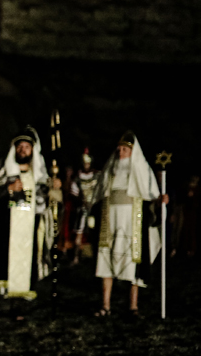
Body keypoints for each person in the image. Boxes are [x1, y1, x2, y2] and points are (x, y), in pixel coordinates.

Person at [88, 132, 167, 317]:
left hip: (132, 224)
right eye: (119, 149)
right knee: (106, 261)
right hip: (110, 223)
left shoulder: (141, 170)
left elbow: (151, 194)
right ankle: (105, 306)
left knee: (133, 264)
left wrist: (159, 199)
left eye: (125, 149)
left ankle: (133, 307)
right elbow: (98, 195)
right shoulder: (110, 170)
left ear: (133, 151)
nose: (120, 152)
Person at [0, 128, 53, 315]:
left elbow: (44, 204)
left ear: (32, 151)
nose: (23, 150)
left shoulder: (38, 175)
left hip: (29, 228)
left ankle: (19, 305)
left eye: (27, 147)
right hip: (4, 226)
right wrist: (7, 189)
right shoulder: (4, 171)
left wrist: (52, 191)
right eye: (20, 147)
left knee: (27, 264)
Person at [71, 149, 99, 265]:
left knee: (94, 232)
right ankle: (76, 257)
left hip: (94, 209)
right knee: (79, 232)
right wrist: (81, 202)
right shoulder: (77, 178)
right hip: (82, 209)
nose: (86, 165)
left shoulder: (97, 175)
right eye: (84, 163)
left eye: (87, 163)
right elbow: (74, 194)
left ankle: (95, 258)